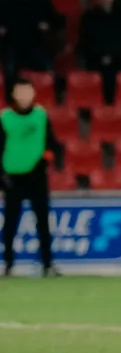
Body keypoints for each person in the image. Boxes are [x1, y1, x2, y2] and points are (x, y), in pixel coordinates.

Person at [1, 78, 61, 277]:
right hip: (13, 178)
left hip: (37, 177)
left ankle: (47, 264)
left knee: (43, 222)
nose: (24, 96)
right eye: (20, 92)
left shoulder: (41, 115)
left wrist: (44, 161)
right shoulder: (5, 118)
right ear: (13, 95)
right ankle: (9, 265)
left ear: (34, 93)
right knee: (10, 223)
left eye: (28, 92)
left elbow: (52, 144)